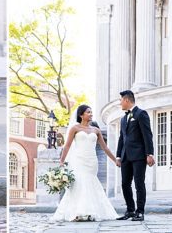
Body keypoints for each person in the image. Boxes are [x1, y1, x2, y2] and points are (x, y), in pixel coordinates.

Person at [51, 105, 119, 223]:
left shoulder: (96, 130)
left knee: (90, 182)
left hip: (92, 161)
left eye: (91, 112)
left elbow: (105, 148)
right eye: (88, 112)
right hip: (79, 160)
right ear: (81, 115)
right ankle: (79, 212)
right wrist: (62, 161)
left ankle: (90, 211)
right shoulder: (75, 128)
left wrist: (115, 160)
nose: (91, 114)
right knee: (80, 183)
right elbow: (67, 146)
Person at [115, 90, 154, 222]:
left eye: (120, 100)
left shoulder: (141, 114)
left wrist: (150, 153)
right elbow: (122, 138)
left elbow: (147, 134)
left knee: (139, 184)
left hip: (138, 156)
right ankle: (130, 210)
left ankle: (140, 212)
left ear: (126, 100)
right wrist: (118, 156)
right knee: (125, 184)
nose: (120, 103)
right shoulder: (123, 118)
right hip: (125, 156)